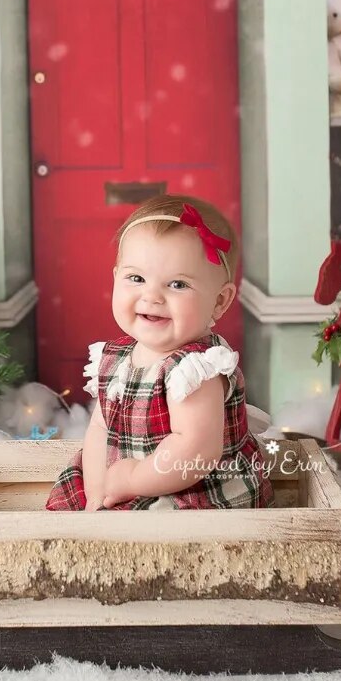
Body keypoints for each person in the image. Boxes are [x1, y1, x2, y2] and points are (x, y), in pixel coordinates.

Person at [46, 195, 273, 511]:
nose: (151, 296)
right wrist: (98, 489)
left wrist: (132, 480)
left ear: (220, 301)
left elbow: (194, 453)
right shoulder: (116, 358)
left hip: (193, 490)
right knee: (76, 502)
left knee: (152, 530)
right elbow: (101, 427)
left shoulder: (195, 370)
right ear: (116, 278)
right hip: (130, 477)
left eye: (177, 284)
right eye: (136, 278)